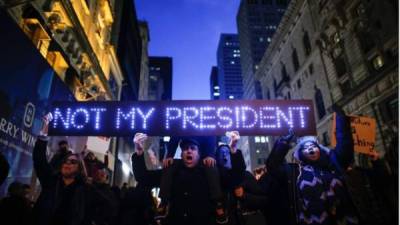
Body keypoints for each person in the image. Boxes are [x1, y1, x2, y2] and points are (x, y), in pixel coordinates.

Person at [238, 105, 359, 225]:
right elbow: (272, 165)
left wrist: (342, 120)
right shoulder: (294, 172)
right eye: (306, 148)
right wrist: (284, 142)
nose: (311, 150)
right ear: (300, 154)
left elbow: (345, 147)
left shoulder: (333, 164)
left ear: (320, 150)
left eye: (313, 147)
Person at [32, 115, 114, 225]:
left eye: (73, 162)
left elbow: (109, 206)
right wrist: (44, 134)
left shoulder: (85, 190)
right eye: (66, 161)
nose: (68, 164)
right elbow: (39, 160)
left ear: (79, 168)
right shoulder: (50, 181)